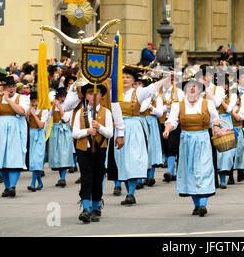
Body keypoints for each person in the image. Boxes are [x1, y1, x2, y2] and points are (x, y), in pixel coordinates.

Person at [107, 67, 169, 206]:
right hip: (118, 127)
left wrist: (167, 78)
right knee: (122, 160)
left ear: (134, 81)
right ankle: (129, 192)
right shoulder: (113, 93)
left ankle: (131, 193)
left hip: (134, 128)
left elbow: (153, 87)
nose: (125, 79)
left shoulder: (139, 92)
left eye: (128, 77)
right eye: (123, 76)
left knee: (134, 160)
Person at [163, 76, 222, 217]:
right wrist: (167, 129)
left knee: (204, 170)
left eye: (195, 86)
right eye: (189, 86)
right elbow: (172, 121)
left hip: (202, 139)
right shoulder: (178, 105)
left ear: (199, 89)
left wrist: (217, 128)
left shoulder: (208, 104)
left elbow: (215, 120)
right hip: (186, 141)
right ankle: (196, 205)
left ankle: (203, 204)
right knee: (189, 172)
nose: (192, 88)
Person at [72, 83, 113, 223]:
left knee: (97, 178)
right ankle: (85, 208)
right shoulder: (80, 112)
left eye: (96, 93)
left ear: (101, 95)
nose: (93, 96)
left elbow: (109, 133)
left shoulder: (106, 112)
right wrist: (87, 131)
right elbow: (75, 133)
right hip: (84, 149)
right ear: (86, 96)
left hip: (100, 149)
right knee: (86, 177)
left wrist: (99, 127)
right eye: (90, 93)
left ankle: (96, 206)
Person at [0, 76, 30, 198]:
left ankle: (12, 186)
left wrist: (8, 100)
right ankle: (7, 187)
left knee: (14, 157)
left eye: (13, 86)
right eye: (8, 87)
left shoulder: (22, 98)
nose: (11, 89)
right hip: (0, 130)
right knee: (2, 158)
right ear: (4, 88)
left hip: (15, 130)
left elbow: (21, 111)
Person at [158, 71, 184, 183]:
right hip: (161, 121)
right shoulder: (157, 93)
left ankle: (170, 171)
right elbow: (156, 108)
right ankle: (171, 172)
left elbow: (183, 105)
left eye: (171, 79)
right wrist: (165, 108)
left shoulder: (179, 92)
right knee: (165, 146)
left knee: (173, 145)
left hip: (175, 122)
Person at [139, 77, 165, 187]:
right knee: (141, 148)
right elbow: (140, 110)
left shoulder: (157, 98)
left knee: (152, 148)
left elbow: (160, 113)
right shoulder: (139, 98)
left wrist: (151, 108)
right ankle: (139, 178)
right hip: (141, 122)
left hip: (152, 123)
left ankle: (150, 176)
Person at [48, 87, 75, 187]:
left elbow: (66, 118)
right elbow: (49, 116)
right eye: (60, 97)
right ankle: (61, 177)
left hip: (64, 129)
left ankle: (63, 178)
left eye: (63, 96)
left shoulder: (68, 106)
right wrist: (51, 106)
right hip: (55, 130)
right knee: (57, 154)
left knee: (64, 154)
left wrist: (59, 106)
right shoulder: (54, 105)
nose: (61, 98)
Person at [27, 90, 49, 192]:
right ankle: (39, 182)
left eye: (36, 101)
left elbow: (41, 125)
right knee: (33, 160)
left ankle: (32, 183)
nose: (34, 103)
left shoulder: (44, 110)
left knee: (37, 159)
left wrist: (34, 114)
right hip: (31, 134)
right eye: (33, 101)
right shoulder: (30, 109)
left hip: (39, 135)